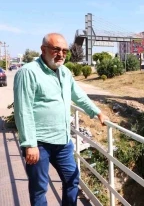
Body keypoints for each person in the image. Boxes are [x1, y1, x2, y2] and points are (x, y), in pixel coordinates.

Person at [13, 33, 108, 206]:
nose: (61, 54)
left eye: (65, 50)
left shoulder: (64, 72)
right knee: (39, 188)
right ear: (43, 49)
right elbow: (23, 110)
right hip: (39, 143)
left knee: (72, 179)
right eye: (56, 49)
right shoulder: (28, 72)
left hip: (62, 141)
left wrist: (97, 112)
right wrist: (29, 144)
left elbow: (78, 95)